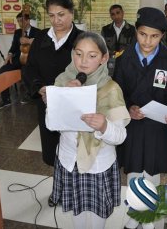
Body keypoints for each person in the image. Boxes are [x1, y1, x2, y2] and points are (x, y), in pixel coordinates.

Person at [48, 31, 130, 229]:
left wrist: (103, 126)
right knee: (77, 214)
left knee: (95, 220)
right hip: (69, 161)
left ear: (104, 58)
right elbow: (51, 124)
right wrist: (64, 99)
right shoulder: (63, 80)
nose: (83, 61)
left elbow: (120, 136)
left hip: (97, 166)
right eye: (78, 53)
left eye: (92, 56)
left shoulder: (111, 89)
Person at [113, 7, 167, 229]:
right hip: (133, 127)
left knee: (152, 176)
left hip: (157, 128)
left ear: (162, 36)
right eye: (143, 34)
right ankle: (135, 215)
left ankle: (149, 220)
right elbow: (116, 94)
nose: (147, 41)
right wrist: (128, 108)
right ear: (136, 31)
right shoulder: (123, 59)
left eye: (154, 36)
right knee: (134, 174)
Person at [24, 0, 83, 168]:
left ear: (72, 13)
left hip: (73, 106)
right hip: (46, 102)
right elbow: (30, 68)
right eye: (51, 16)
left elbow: (89, 71)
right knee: (51, 150)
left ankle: (74, 193)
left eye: (61, 15)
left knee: (73, 152)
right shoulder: (41, 38)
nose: (56, 20)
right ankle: (57, 192)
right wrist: (40, 88)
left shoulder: (82, 39)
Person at [0, 12, 41, 109]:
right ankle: (6, 100)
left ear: (28, 20)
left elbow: (40, 47)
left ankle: (30, 95)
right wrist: (9, 55)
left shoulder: (38, 32)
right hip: (18, 60)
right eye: (19, 21)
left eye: (22, 20)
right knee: (3, 70)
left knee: (27, 71)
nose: (20, 23)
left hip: (31, 61)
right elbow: (14, 47)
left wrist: (29, 41)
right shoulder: (17, 32)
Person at [101, 4, 136, 75]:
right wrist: (112, 54)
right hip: (110, 62)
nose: (116, 16)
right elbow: (102, 47)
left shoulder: (132, 29)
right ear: (110, 16)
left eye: (118, 12)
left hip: (126, 61)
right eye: (113, 14)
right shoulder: (105, 29)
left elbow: (134, 47)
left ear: (123, 13)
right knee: (110, 82)